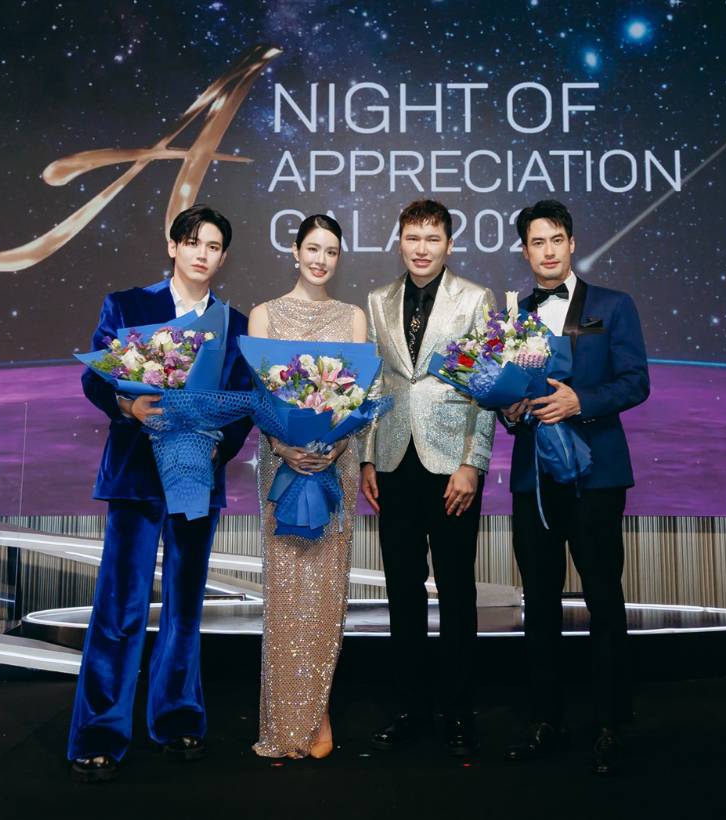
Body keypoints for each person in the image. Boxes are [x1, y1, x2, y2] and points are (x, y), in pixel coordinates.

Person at [67, 205, 253, 783]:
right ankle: (100, 731)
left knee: (184, 607)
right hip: (134, 475)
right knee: (120, 606)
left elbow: (243, 402)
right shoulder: (127, 305)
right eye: (193, 242)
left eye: (213, 246)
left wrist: (216, 445)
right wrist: (127, 405)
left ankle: (177, 718)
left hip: (195, 473)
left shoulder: (235, 323)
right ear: (173, 246)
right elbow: (95, 376)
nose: (202, 254)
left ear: (223, 257)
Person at [499, 199, 650, 777]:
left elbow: (635, 382)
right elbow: (502, 391)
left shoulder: (614, 305)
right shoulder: (511, 315)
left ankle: (611, 724)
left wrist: (580, 400)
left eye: (556, 239)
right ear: (525, 250)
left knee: (603, 599)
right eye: (537, 242)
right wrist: (509, 408)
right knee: (538, 604)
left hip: (597, 477)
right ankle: (546, 722)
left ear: (572, 243)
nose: (548, 251)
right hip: (533, 480)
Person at [360, 199, 496, 756]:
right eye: (412, 237)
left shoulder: (475, 298)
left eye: (432, 238)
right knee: (402, 590)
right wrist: (367, 458)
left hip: (451, 467)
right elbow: (374, 382)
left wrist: (473, 464)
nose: (421, 248)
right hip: (394, 462)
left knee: (457, 590)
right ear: (399, 241)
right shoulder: (378, 299)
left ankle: (459, 711)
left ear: (449, 244)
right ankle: (410, 708)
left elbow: (487, 385)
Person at [246, 213, 370, 760]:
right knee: (287, 589)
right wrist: (283, 446)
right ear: (295, 251)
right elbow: (260, 399)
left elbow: (359, 401)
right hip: (281, 465)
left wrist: (335, 447)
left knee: (325, 591)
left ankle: (318, 709)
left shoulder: (353, 317)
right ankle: (284, 718)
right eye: (313, 248)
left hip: (336, 466)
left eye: (332, 251)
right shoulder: (265, 314)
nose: (321, 259)